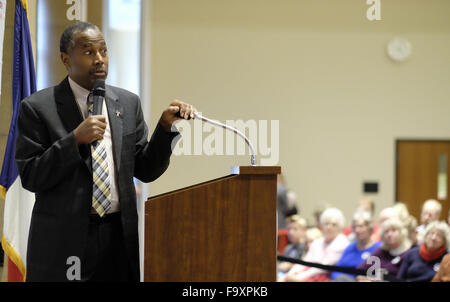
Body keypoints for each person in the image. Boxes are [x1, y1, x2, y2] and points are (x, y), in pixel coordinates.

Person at [15, 22, 197, 282]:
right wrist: (75, 140)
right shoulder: (38, 108)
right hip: (65, 241)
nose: (99, 59)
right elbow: (31, 175)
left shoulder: (127, 102)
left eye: (103, 50)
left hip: (117, 236)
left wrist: (165, 127)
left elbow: (145, 169)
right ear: (66, 59)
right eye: (88, 52)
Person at [279, 208, 349, 282]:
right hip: (307, 274)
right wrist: (290, 274)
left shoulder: (342, 242)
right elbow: (305, 262)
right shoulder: (317, 242)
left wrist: (299, 278)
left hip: (324, 277)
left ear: (340, 227)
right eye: (326, 224)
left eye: (333, 224)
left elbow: (322, 268)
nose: (329, 227)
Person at [331, 211, 381, 281]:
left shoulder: (378, 248)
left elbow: (383, 274)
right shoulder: (350, 247)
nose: (357, 230)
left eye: (361, 226)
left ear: (370, 228)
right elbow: (336, 271)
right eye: (355, 227)